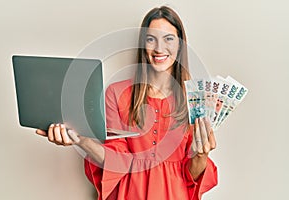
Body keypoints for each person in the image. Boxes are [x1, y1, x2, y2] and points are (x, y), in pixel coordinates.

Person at [36, 6, 218, 200]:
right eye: (151, 39)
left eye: (168, 39)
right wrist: (81, 139)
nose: (159, 48)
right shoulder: (116, 93)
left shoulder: (195, 99)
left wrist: (201, 155)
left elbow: (193, 175)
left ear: (180, 45)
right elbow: (116, 159)